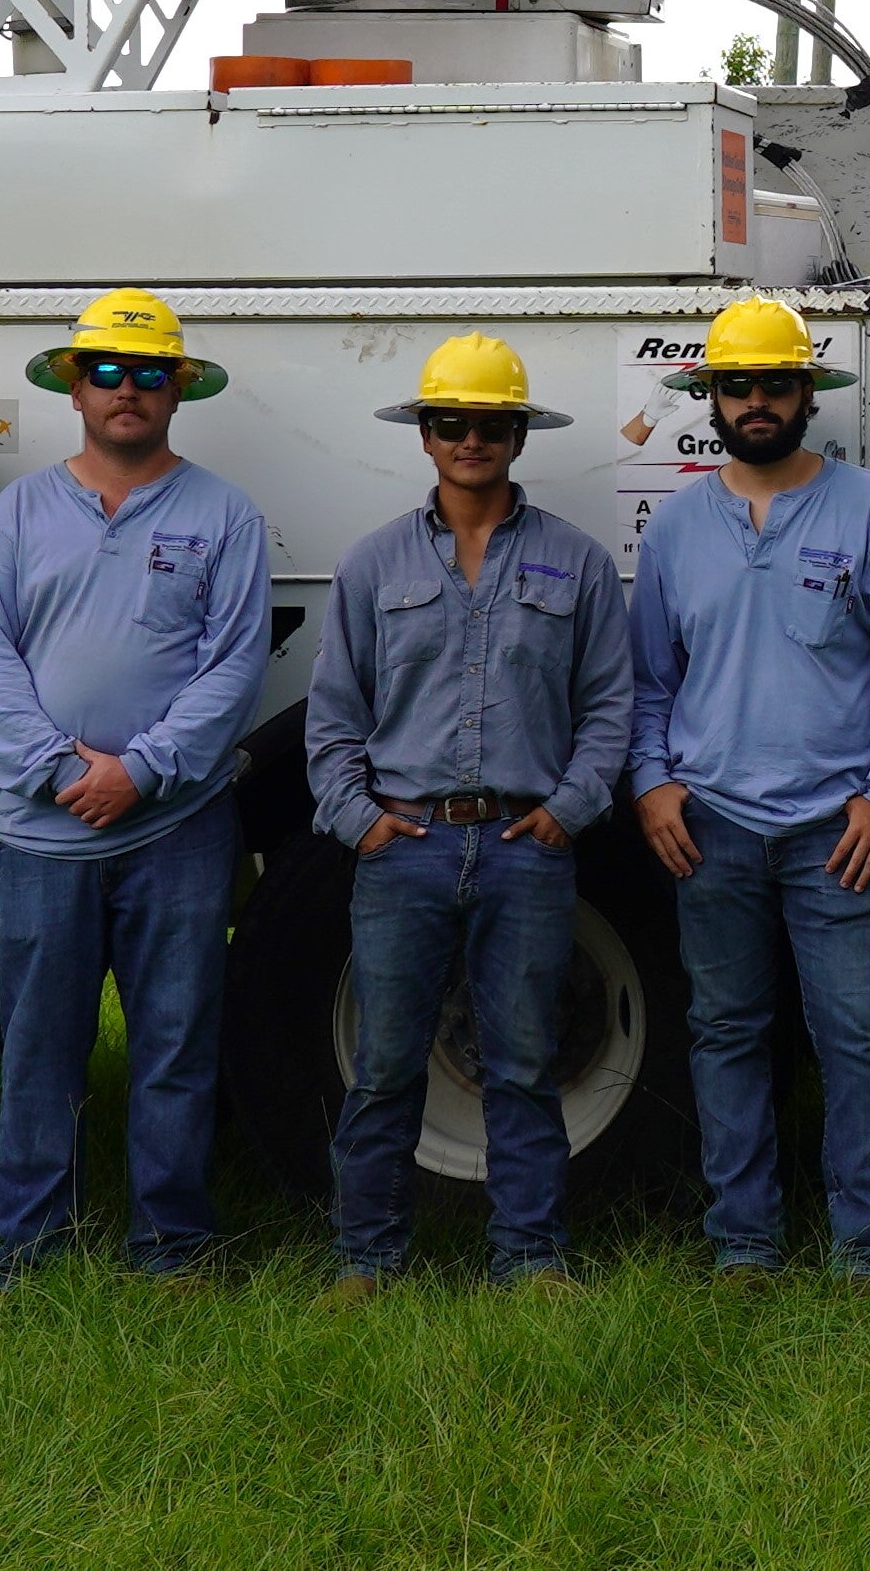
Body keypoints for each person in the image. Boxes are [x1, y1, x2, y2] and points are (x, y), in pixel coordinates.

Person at [631, 297, 870, 1289]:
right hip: (712, 823)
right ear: (709, 398)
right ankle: (743, 1243)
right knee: (725, 1031)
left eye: (776, 383)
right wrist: (652, 784)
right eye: (738, 385)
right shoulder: (678, 525)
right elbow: (649, 680)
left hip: (835, 826)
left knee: (855, 1032)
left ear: (808, 393)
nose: (757, 401)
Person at [0, 287, 274, 1282]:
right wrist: (59, 770)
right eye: (107, 371)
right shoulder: (18, 510)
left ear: (177, 388)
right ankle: (29, 1249)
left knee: (175, 1049)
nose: (126, 389)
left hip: (176, 830)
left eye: (148, 373)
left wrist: (140, 770)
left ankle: (172, 1244)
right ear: (74, 387)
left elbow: (233, 666)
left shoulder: (225, 513)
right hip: (42, 835)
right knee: (38, 1056)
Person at [308, 338, 635, 1297]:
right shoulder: (371, 564)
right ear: (425, 436)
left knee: (524, 1061)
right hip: (401, 845)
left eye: (492, 423)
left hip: (524, 847)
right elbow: (333, 719)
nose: (471, 439)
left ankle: (530, 1260)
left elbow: (610, 706)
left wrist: (569, 811)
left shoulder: (576, 562)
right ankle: (366, 1261)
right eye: (451, 422)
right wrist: (358, 821)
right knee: (383, 1065)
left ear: (518, 434)